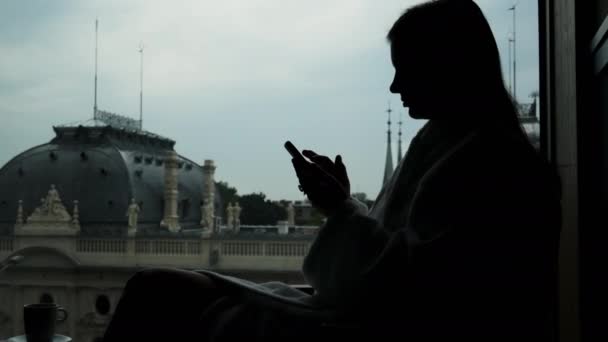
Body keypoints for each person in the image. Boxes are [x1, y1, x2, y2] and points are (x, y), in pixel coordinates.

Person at [103, 1, 561, 341]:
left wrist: (339, 208)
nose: (395, 85)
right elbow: (404, 259)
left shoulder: (489, 163)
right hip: (362, 314)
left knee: (155, 290)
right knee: (159, 287)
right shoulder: (468, 146)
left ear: (448, 66)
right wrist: (343, 203)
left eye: (407, 69)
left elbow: (404, 284)